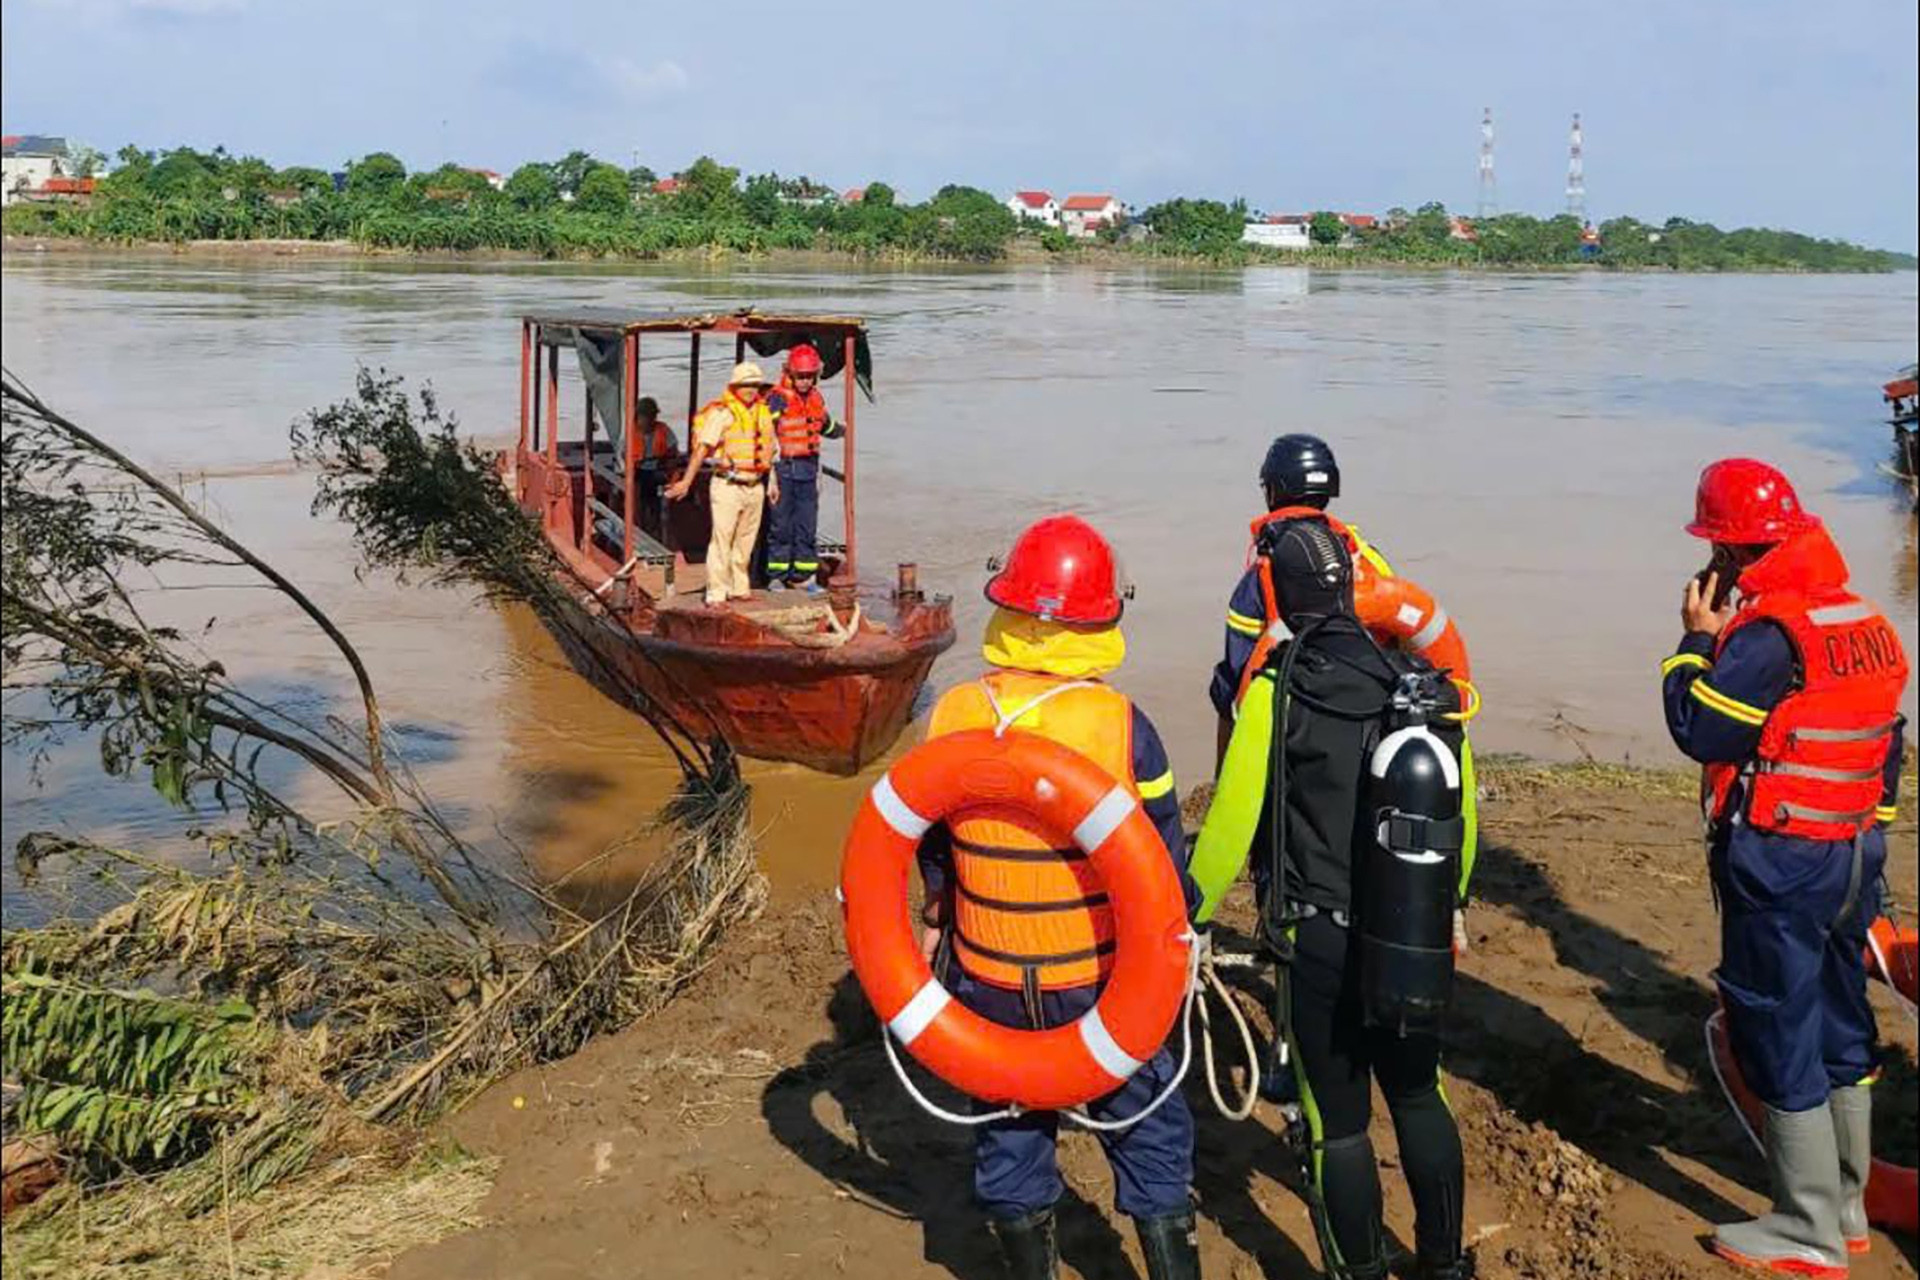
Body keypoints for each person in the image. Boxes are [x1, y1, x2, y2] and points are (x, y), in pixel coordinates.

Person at [915, 514, 1202, 1280]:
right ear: (1103, 617)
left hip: (990, 984)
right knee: (1149, 1128)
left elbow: (925, 843)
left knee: (1009, 1136)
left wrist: (941, 898)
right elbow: (1165, 871)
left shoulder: (952, 715)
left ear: (1007, 608)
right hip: (1100, 985)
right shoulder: (1121, 727)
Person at [1195, 515, 1474, 1280]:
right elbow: (1463, 821)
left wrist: (1188, 910)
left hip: (1318, 937)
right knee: (1421, 1095)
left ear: (1279, 599)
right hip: (1411, 930)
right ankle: (1446, 1264)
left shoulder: (1276, 694)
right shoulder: (1422, 690)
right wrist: (1449, 909)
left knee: (1339, 1126)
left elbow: (1229, 827)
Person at [1662, 458, 1907, 1278]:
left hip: (1783, 859)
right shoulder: (1860, 616)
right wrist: (1871, 835)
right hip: (1852, 856)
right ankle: (1845, 1204)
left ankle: (1805, 1229)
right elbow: (1888, 742)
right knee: (1843, 1023)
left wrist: (1694, 641)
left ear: (1730, 553)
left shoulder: (1769, 637)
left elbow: (1701, 730)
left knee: (1777, 1026)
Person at [1211, 434, 1474, 762]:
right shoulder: (1368, 557)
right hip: (1370, 715)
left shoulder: (1261, 576)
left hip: (1301, 719)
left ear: (1272, 489)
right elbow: (1405, 629)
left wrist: (1225, 771)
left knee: (1223, 686)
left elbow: (1236, 684)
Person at [666, 362, 779, 607]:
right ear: (735, 386)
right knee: (722, 540)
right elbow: (701, 450)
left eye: (755, 385)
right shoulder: (723, 414)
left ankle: (740, 588)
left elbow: (770, 452)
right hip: (728, 484)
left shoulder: (763, 413)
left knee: (746, 541)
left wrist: (772, 482)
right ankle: (716, 592)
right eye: (746, 385)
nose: (751, 389)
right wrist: (686, 481)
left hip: (755, 485)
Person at [762, 343, 843, 592]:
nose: (805, 381)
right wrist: (771, 474)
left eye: (809, 376)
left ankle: (803, 577)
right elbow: (764, 430)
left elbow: (825, 427)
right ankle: (777, 575)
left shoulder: (816, 399)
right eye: (801, 376)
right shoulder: (777, 397)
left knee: (806, 525)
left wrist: (843, 430)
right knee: (781, 525)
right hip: (783, 468)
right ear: (790, 373)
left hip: (808, 468)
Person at [632, 395, 679, 541]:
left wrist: (665, 463)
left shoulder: (663, 430)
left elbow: (673, 451)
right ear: (638, 416)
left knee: (654, 487)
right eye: (646, 416)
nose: (649, 420)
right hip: (637, 472)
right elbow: (623, 456)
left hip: (659, 471)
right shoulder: (629, 432)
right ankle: (639, 526)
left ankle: (655, 529)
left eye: (652, 416)